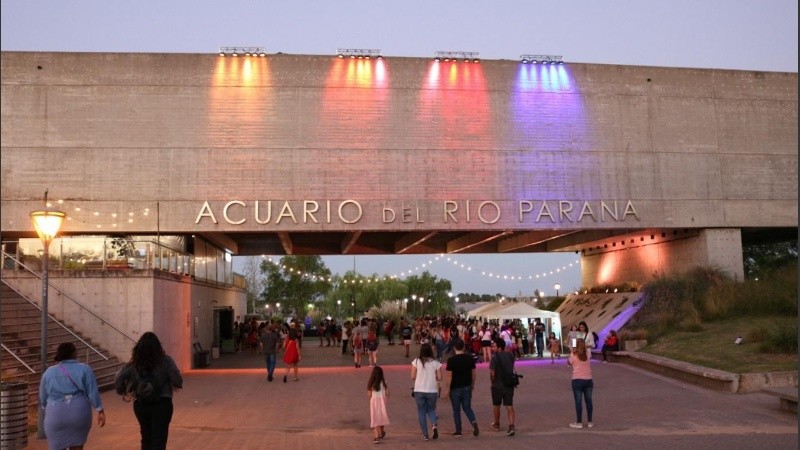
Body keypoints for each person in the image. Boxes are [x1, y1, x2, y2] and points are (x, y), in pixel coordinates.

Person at [114, 331, 183, 450]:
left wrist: (123, 390)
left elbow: (118, 379)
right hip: (162, 404)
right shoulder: (166, 361)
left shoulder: (134, 363)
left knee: (146, 437)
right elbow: (178, 381)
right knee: (159, 439)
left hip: (141, 405)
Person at [39, 342, 106, 450]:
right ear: (74, 353)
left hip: (55, 415)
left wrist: (45, 407)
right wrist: (100, 410)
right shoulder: (85, 369)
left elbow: (43, 397)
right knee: (77, 445)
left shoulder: (49, 372)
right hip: (79, 414)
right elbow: (93, 392)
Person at [443, 340, 479, 437]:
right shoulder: (469, 359)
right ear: (463, 347)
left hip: (455, 388)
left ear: (454, 348)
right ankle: (473, 421)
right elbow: (473, 373)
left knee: (456, 410)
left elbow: (449, 376)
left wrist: (447, 389)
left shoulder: (451, 360)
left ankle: (458, 430)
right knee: (467, 407)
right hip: (467, 386)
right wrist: (472, 384)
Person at [411, 343, 442, 441]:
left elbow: (412, 376)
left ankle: (425, 434)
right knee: (431, 409)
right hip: (432, 390)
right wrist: (433, 377)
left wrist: (419, 378)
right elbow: (440, 377)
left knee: (421, 411)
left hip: (419, 390)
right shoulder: (435, 363)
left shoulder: (416, 361)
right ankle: (434, 424)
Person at [489, 338, 516, 436]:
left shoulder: (494, 357)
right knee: (509, 406)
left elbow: (492, 373)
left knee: (496, 405)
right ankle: (511, 426)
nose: (492, 348)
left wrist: (492, 382)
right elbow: (511, 367)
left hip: (497, 384)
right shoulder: (510, 355)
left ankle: (497, 424)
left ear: (499, 347)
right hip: (509, 384)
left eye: (494, 346)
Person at [568, 338, 594, 429]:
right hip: (588, 380)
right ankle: (590, 422)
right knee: (589, 401)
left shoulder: (573, 354)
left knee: (578, 402)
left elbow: (568, 363)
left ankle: (579, 422)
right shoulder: (588, 354)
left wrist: (573, 350)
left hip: (577, 380)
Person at [367, 365, 390, 444]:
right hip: (382, 403)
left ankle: (376, 436)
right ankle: (381, 432)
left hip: (374, 403)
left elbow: (369, 395)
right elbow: (387, 393)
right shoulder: (384, 383)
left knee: (375, 418)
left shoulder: (371, 384)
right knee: (382, 417)